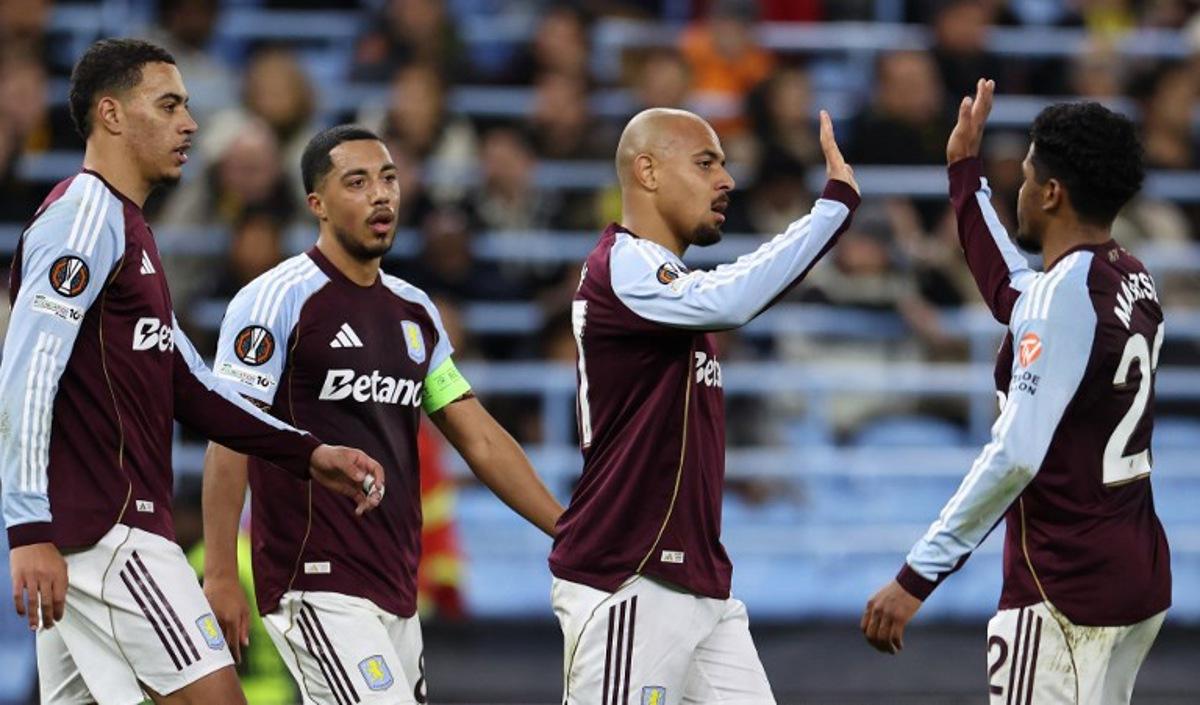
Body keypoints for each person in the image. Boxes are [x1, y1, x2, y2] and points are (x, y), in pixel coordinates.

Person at [0, 39, 385, 705]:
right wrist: (27, 525)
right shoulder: (85, 215)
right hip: (111, 531)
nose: (191, 123)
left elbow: (194, 385)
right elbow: (27, 368)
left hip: (90, 537)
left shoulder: (128, 231)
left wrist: (308, 452)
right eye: (170, 104)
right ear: (112, 115)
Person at [201, 124, 564, 705]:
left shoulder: (415, 313)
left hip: (397, 588)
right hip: (313, 580)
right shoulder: (277, 298)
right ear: (317, 204)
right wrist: (220, 571)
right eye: (358, 181)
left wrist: (566, 530)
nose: (381, 195)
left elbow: (479, 438)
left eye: (389, 178)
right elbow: (230, 435)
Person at [862, 80, 1170, 705]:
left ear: (1051, 192)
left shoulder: (1063, 296)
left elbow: (1015, 455)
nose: (1020, 189)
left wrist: (916, 576)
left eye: (1026, 176)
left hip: (1063, 587)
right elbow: (1013, 289)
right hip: (1134, 572)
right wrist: (964, 173)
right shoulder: (1129, 273)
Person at [551, 107, 859, 703]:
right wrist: (833, 209)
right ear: (647, 170)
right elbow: (731, 297)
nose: (728, 180)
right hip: (630, 577)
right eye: (705, 162)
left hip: (698, 582)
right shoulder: (624, 265)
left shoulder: (669, 286)